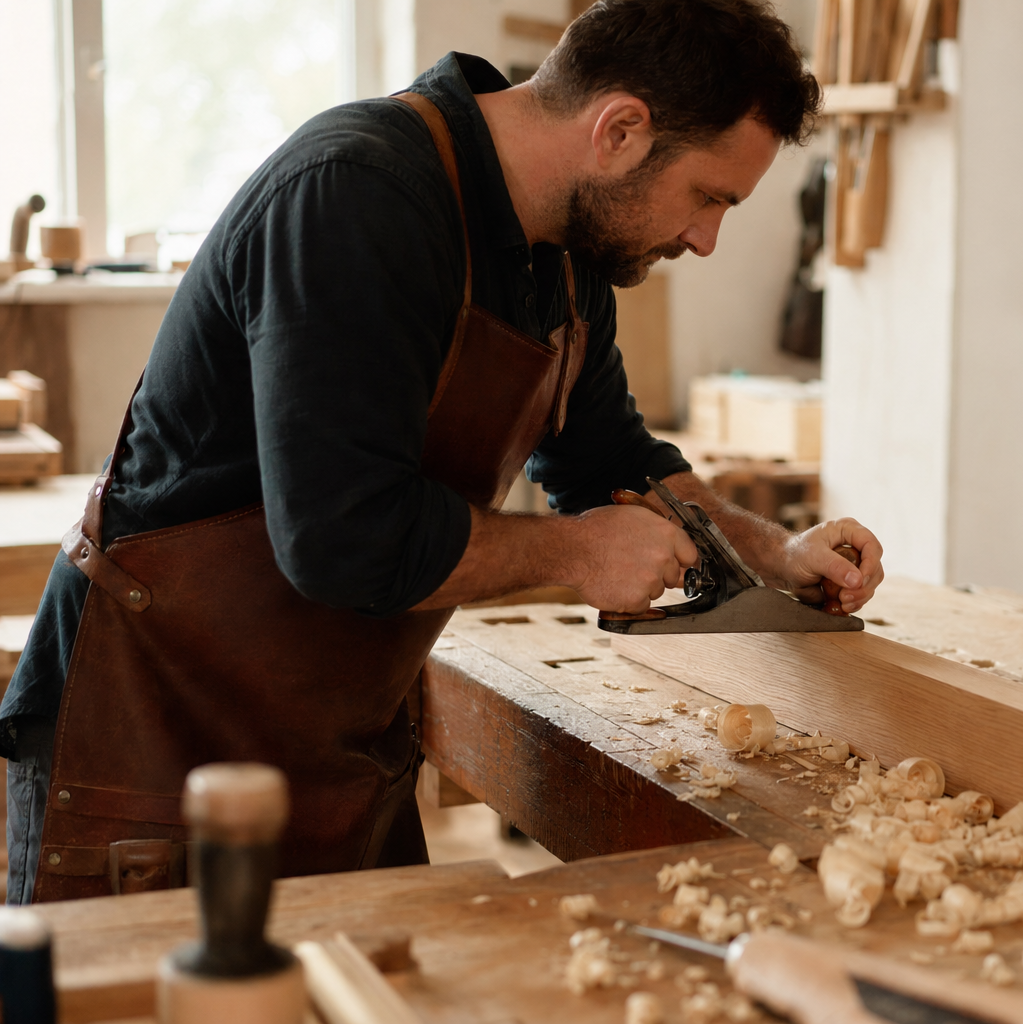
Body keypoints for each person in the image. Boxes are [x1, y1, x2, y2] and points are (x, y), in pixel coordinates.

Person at [3, 0, 885, 903]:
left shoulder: (572, 254)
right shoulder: (357, 194)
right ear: (619, 131)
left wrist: (771, 555)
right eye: (709, 197)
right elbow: (344, 537)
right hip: (157, 742)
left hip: (342, 740)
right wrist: (577, 551)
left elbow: (611, 460)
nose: (705, 239)